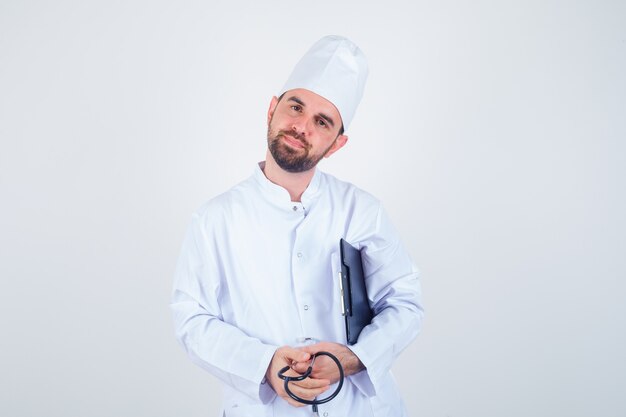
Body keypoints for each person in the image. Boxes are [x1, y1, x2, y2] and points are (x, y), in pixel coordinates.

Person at [171, 35, 423, 417]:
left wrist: (354, 357)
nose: (301, 126)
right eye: (295, 107)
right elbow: (191, 319)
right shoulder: (214, 219)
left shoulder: (363, 211)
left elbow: (404, 302)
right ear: (272, 109)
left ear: (337, 144)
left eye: (321, 122)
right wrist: (264, 365)